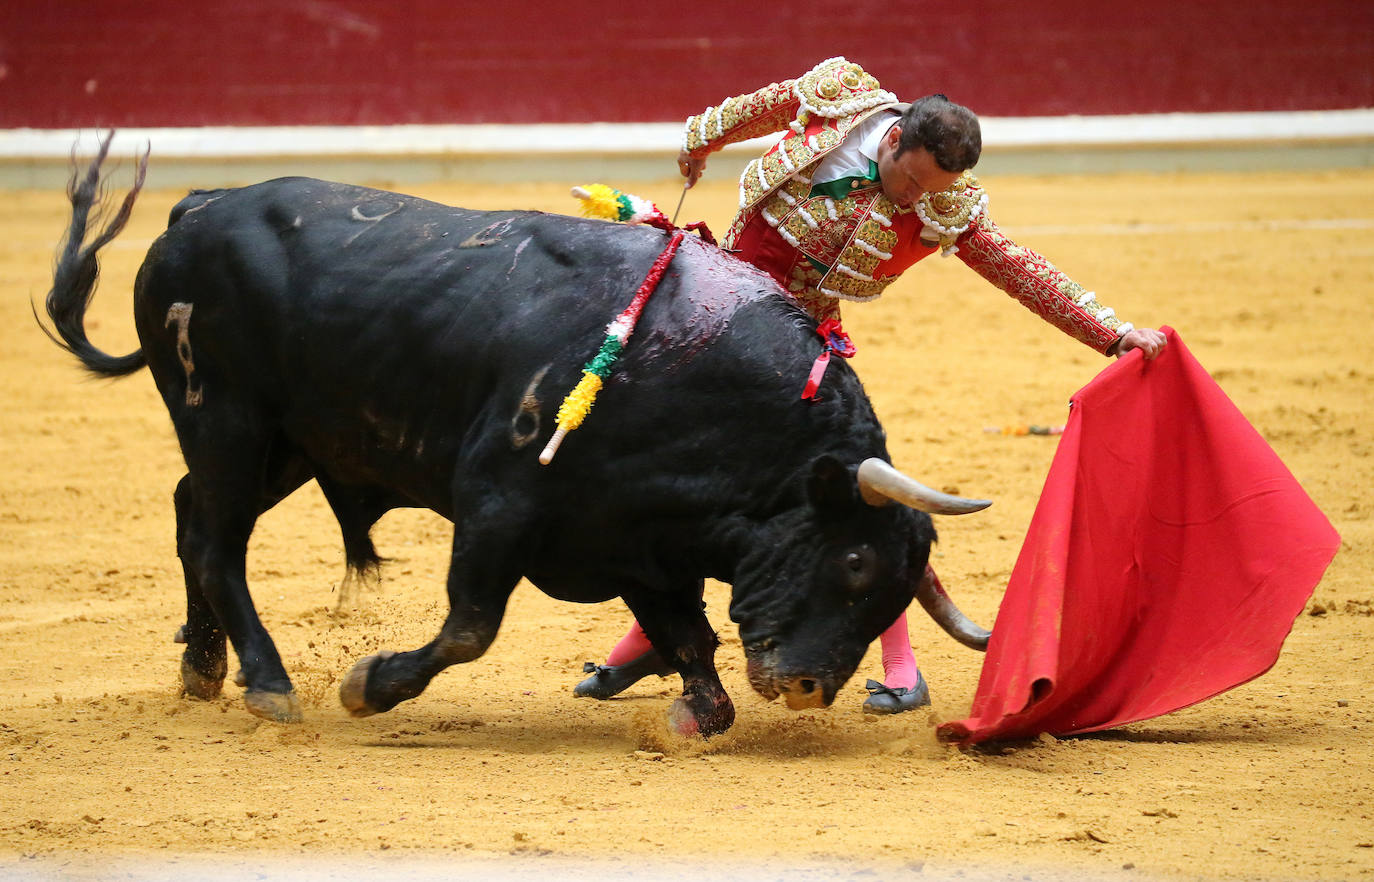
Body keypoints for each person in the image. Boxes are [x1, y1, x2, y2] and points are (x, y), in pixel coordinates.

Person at [573, 56, 1167, 715]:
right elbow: (762, 106)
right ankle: (656, 637)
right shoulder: (839, 100)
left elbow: (1019, 268)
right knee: (688, 478)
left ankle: (900, 665)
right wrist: (699, 141)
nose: (913, 199)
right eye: (909, 179)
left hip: (794, 349)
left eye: (929, 188)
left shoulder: (946, 204)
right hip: (714, 311)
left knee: (847, 497)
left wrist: (1111, 333)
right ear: (891, 139)